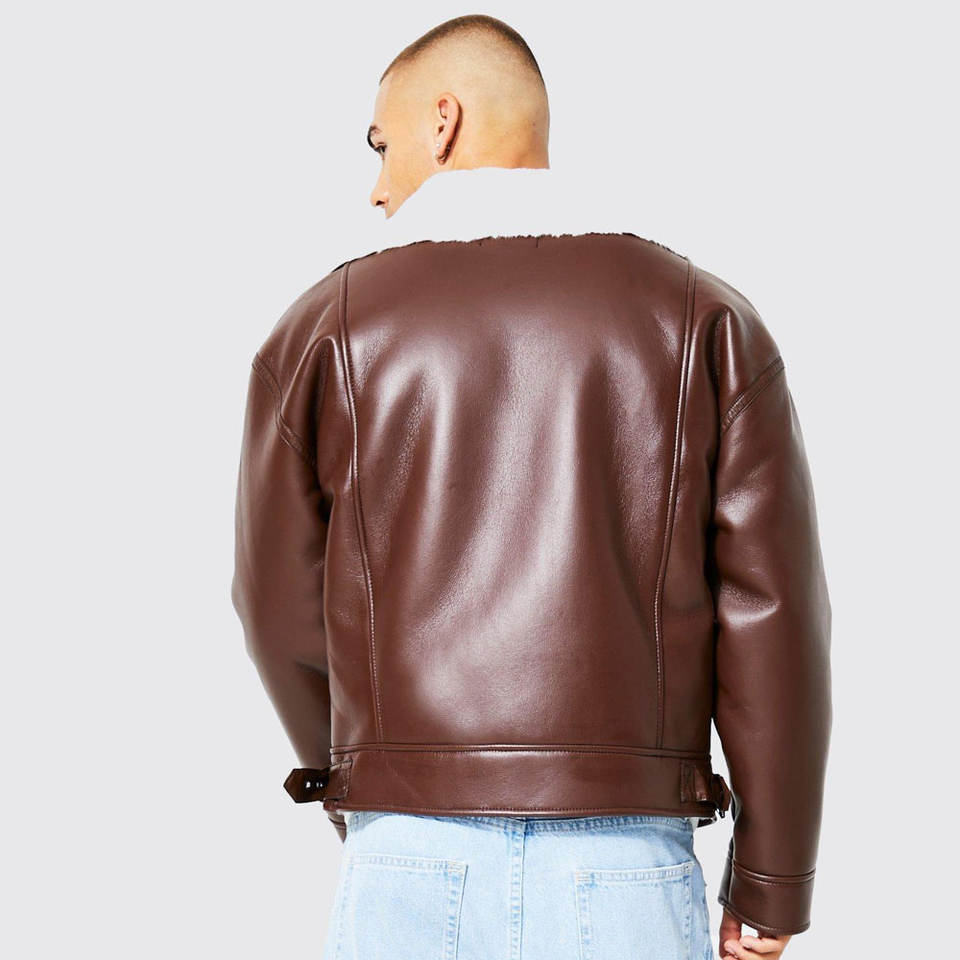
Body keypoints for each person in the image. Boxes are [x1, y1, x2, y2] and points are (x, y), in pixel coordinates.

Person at [230, 14, 832, 960]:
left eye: (381, 146)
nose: (376, 187)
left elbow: (274, 604)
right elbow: (774, 614)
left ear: (443, 122)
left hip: (407, 856)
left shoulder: (324, 329)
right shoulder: (703, 320)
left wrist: (361, 772)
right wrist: (771, 879)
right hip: (627, 863)